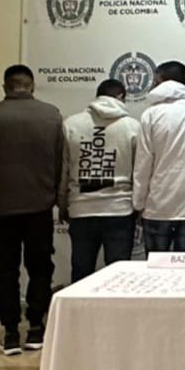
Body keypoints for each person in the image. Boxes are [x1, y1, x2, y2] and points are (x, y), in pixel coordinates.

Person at [0, 64, 64, 356]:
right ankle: (37, 328)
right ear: (32, 85)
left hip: (1, 208)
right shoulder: (51, 115)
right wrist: (57, 199)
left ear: (5, 87)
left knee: (5, 270)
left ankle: (11, 331)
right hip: (39, 206)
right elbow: (60, 163)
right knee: (40, 267)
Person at [133, 61, 185, 253]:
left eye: (155, 81)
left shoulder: (150, 115)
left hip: (158, 204)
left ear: (162, 80)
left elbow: (143, 164)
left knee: (157, 270)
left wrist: (138, 203)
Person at [61, 79, 141, 281]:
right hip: (120, 208)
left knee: (81, 271)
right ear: (121, 96)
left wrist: (62, 202)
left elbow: (63, 168)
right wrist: (140, 205)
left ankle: (79, 313)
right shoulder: (132, 126)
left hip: (81, 208)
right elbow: (140, 171)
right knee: (119, 275)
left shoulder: (71, 123)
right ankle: (117, 313)